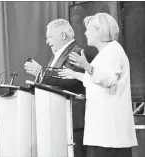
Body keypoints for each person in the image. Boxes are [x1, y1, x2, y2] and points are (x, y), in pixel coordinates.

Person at [58, 13, 138, 157]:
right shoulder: (104, 53)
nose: (85, 33)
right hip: (102, 131)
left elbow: (108, 81)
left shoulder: (113, 51)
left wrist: (87, 67)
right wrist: (75, 74)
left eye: (89, 29)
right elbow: (94, 81)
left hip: (110, 134)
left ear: (99, 31)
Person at [24, 19, 88, 93]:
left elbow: (69, 81)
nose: (47, 41)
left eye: (50, 37)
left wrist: (41, 72)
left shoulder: (77, 52)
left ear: (63, 35)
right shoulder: (55, 55)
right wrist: (39, 75)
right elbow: (51, 82)